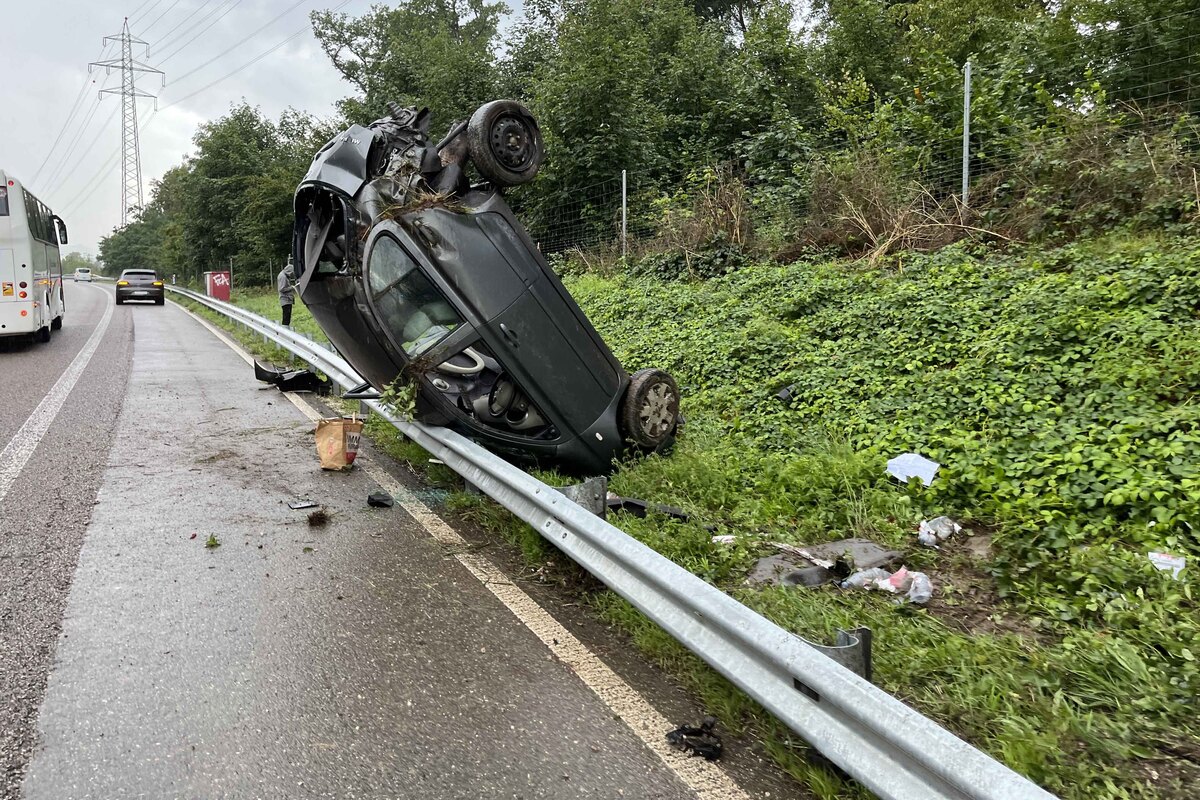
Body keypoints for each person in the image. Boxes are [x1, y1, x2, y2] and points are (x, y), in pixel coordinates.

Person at [278, 259, 296, 327]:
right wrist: (292, 287)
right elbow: (281, 289)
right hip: (285, 299)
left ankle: (286, 329)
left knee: (287, 316)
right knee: (286, 317)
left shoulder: (284, 275)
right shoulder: (283, 277)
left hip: (287, 299)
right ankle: (285, 330)